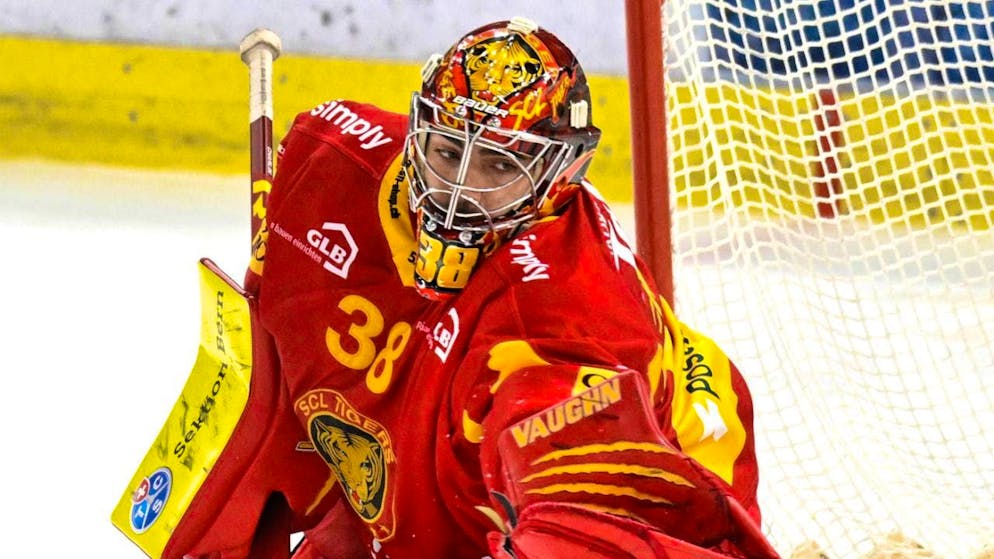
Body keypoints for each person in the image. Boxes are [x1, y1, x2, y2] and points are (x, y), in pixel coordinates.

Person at [119, 16, 780, 559]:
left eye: (497, 164)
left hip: (664, 467)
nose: (458, 186)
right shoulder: (330, 160)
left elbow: (579, 526)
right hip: (458, 463)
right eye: (446, 148)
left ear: (565, 172)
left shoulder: (570, 315)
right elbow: (277, 354)